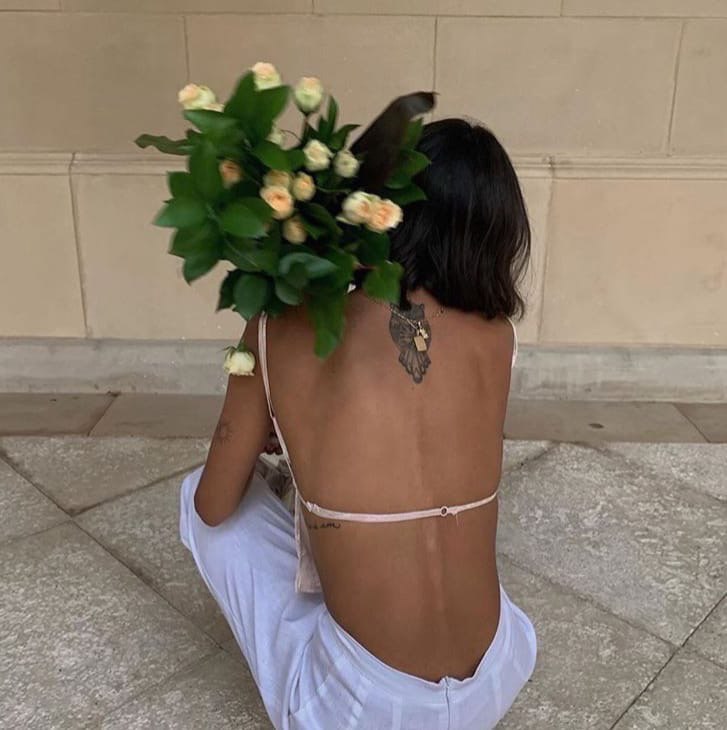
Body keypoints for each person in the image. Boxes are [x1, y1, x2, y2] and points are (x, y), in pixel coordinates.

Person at [180, 118, 537, 729]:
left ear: (382, 206)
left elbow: (214, 506)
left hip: (364, 712)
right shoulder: (497, 337)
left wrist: (279, 422)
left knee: (198, 497)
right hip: (496, 675)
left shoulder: (280, 324)